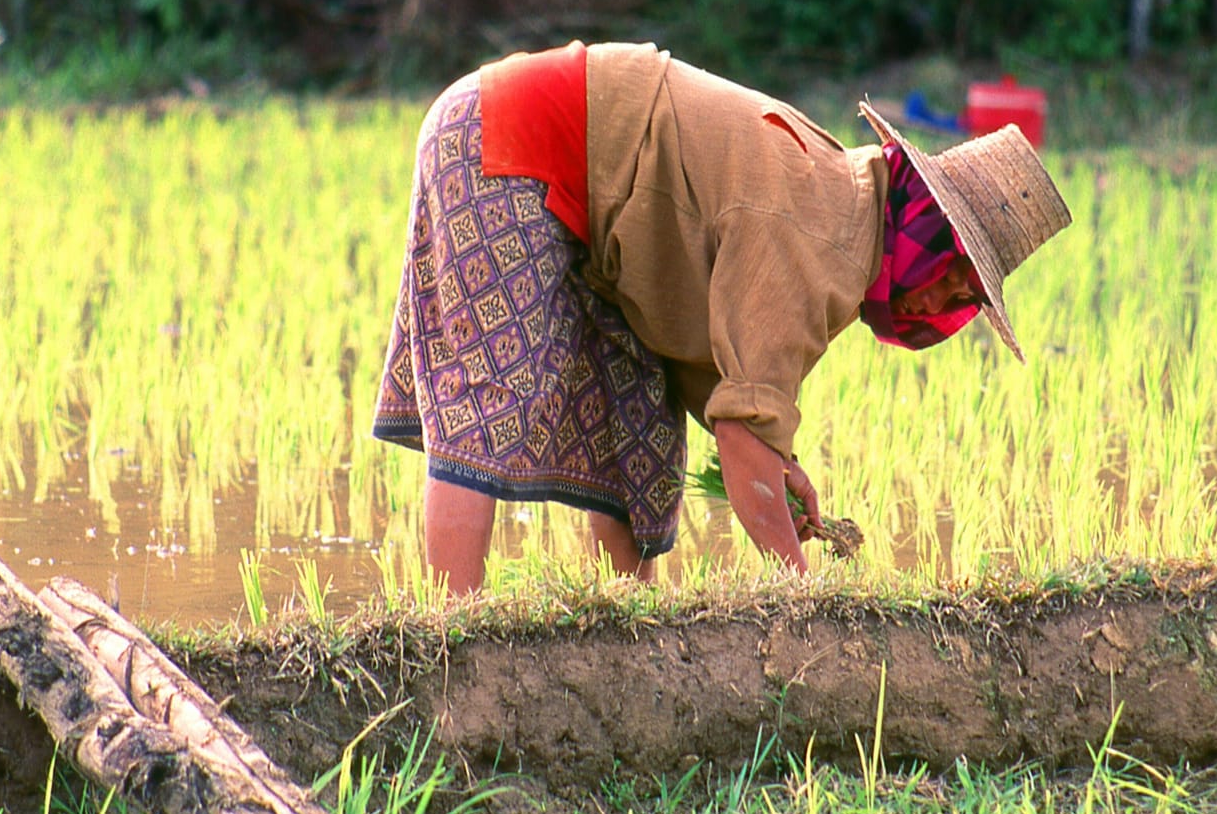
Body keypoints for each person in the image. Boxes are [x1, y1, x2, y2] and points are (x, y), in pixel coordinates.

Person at [373, 40, 1072, 595]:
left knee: (639, 427)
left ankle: (615, 640)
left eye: (962, 297)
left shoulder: (846, 212)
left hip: (600, 214)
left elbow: (733, 380)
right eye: (949, 274)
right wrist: (804, 596)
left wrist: (781, 462)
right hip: (508, 139)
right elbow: (743, 430)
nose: (936, 304)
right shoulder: (823, 237)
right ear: (921, 227)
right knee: (494, 400)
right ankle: (449, 646)